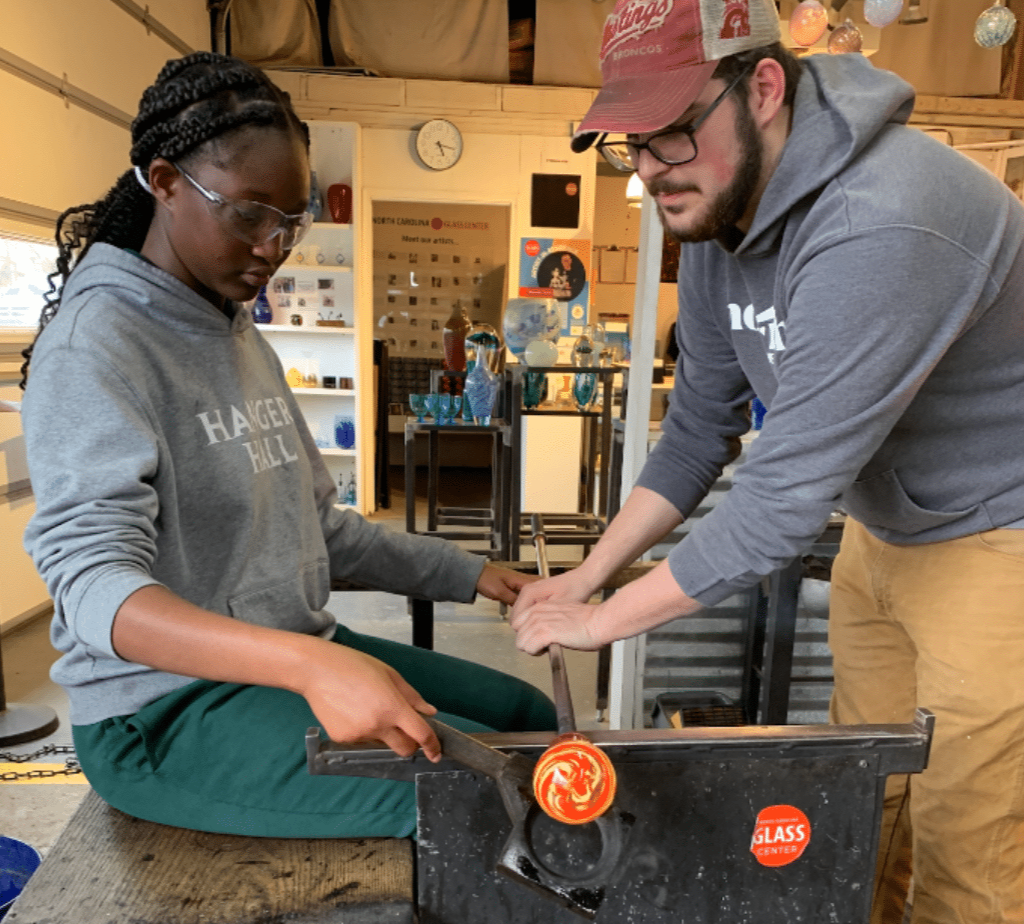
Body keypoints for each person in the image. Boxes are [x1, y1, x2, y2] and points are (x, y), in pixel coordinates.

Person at [511, 2, 1024, 922]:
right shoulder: (711, 214)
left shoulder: (887, 219)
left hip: (1003, 539)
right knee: (863, 796)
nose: (651, 172)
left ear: (765, 87)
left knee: (968, 840)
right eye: (629, 144)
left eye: (670, 134)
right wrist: (583, 580)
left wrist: (608, 623)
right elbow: (701, 429)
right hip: (887, 531)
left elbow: (778, 505)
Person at [19, 51, 556, 839]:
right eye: (249, 214)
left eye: (292, 220)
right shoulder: (96, 347)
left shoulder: (236, 331)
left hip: (292, 650)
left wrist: (476, 575)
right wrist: (312, 667)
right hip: (161, 711)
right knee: (480, 800)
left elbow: (321, 530)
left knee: (527, 716)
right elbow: (96, 589)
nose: (275, 246)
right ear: (164, 183)